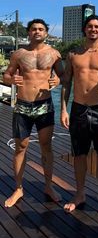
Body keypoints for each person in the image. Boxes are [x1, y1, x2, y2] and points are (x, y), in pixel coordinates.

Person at [60, 14, 98, 218]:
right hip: (78, 109)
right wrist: (63, 109)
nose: (93, 29)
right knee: (79, 156)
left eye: (96, 26)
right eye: (89, 26)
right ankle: (80, 194)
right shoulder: (73, 54)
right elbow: (66, 83)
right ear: (84, 30)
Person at [3, 18, 64, 207]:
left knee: (47, 147)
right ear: (28, 33)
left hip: (44, 105)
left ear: (46, 32)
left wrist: (58, 81)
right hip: (22, 105)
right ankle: (19, 188)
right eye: (33, 29)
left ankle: (48, 186)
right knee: (21, 147)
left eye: (40, 29)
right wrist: (12, 80)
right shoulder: (19, 54)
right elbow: (6, 75)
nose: (37, 31)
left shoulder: (54, 54)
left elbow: (64, 75)